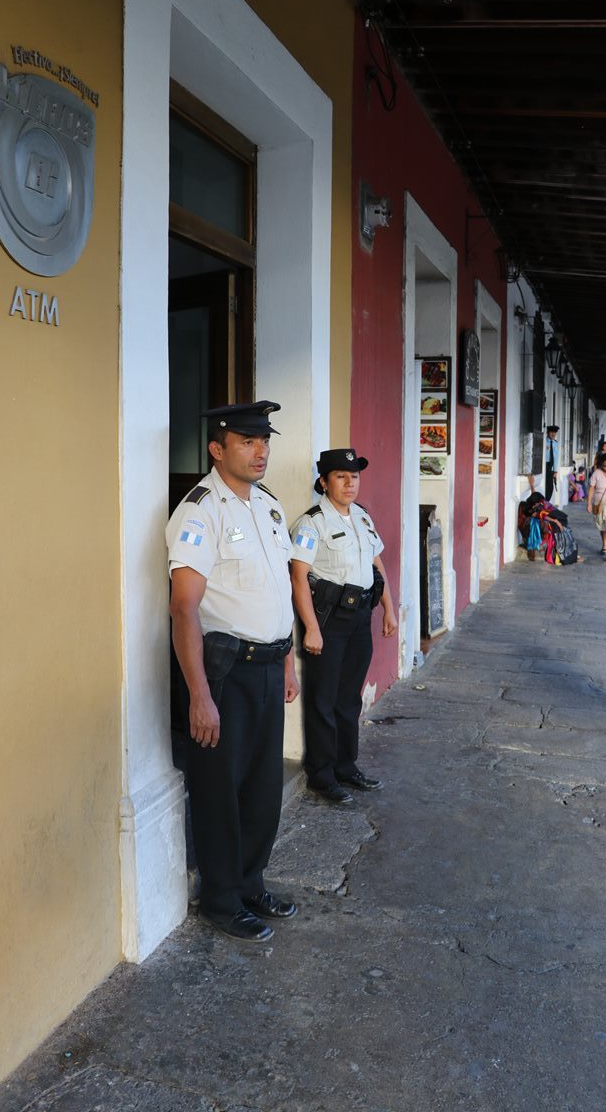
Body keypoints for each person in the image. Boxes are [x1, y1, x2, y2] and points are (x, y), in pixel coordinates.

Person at [166, 401, 300, 943]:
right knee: (220, 788)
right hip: (225, 673)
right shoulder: (200, 512)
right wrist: (198, 694)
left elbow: (277, 591)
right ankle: (221, 898)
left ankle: (249, 882)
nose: (261, 450)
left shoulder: (266, 506)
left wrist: (287, 661)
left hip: (268, 668)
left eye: (264, 440)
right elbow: (184, 608)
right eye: (247, 441)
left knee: (263, 787)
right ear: (217, 449)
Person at [290, 449, 397, 804]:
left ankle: (345, 766)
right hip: (328, 620)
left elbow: (377, 563)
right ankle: (321, 775)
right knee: (323, 700)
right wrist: (311, 628)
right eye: (341, 476)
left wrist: (389, 609)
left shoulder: (362, 518)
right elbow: (299, 577)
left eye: (354, 476)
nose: (350, 483)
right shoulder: (311, 524)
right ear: (324, 482)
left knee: (348, 698)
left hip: (360, 618)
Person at [545, 425, 560, 499]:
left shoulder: (556, 443)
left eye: (555, 433)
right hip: (545, 465)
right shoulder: (544, 441)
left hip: (551, 466)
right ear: (547, 433)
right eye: (551, 432)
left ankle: (547, 502)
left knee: (550, 487)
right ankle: (546, 502)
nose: (553, 434)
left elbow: (556, 458)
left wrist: (555, 471)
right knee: (548, 485)